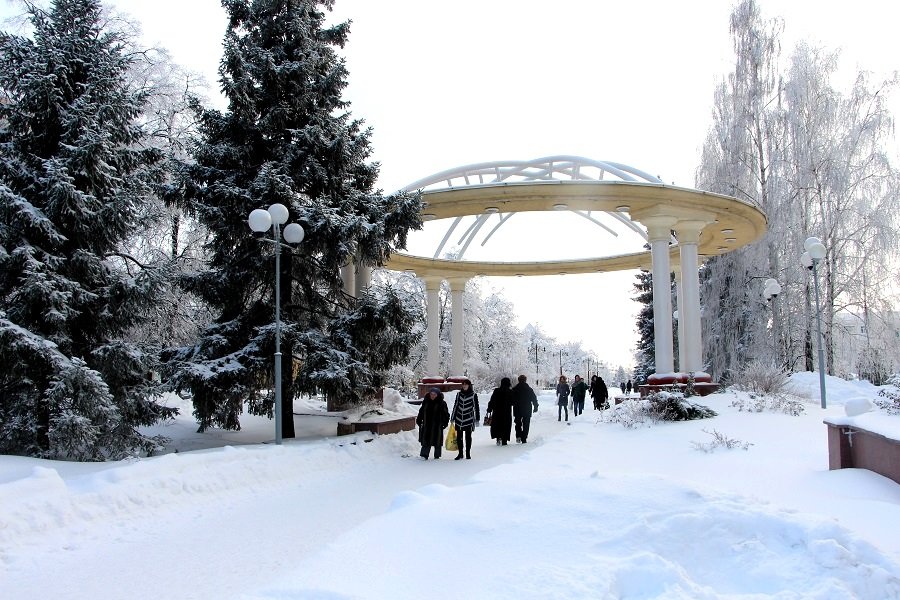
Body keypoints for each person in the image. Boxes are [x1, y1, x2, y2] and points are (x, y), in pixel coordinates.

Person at [416, 387, 450, 460]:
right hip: (427, 424)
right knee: (426, 440)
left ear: (437, 395)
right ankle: (424, 455)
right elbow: (421, 411)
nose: (433, 396)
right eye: (431, 394)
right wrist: (419, 420)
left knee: (437, 440)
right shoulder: (426, 401)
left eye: (434, 394)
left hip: (437, 425)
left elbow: (446, 414)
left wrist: (445, 422)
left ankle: (437, 455)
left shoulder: (442, 403)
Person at [451, 379, 480, 460]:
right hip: (459, 418)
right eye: (463, 384)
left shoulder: (473, 395)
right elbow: (456, 406)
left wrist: (477, 419)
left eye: (466, 384)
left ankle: (468, 453)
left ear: (469, 385)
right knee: (459, 437)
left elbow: (476, 407)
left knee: (468, 437)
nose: (464, 385)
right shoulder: (459, 394)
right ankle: (460, 453)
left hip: (469, 419)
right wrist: (453, 417)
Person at [487, 377, 514, 445]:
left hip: (497, 411)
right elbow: (513, 402)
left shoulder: (496, 391)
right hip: (507, 412)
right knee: (506, 425)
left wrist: (489, 408)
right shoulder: (510, 392)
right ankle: (504, 439)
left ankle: (498, 437)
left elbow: (492, 400)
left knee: (498, 424)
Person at [512, 374, 539, 443]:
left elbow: (511, 399)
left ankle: (518, 436)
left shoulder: (514, 389)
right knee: (526, 424)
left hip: (517, 409)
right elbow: (534, 399)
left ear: (518, 380)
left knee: (518, 423)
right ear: (525, 380)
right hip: (527, 409)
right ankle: (524, 438)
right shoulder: (529, 389)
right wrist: (535, 407)